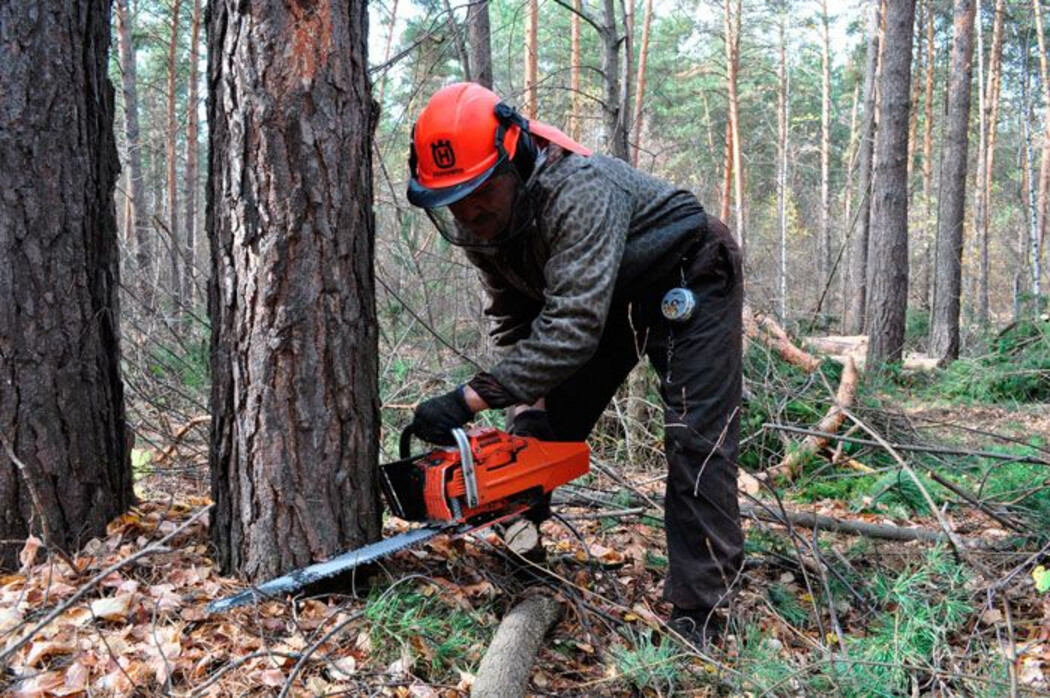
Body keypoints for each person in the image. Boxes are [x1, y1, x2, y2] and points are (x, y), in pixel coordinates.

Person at [405, 82, 743, 645]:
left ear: (513, 161)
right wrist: (531, 408)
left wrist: (467, 399)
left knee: (695, 440)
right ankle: (521, 548)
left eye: (480, 191)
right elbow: (519, 319)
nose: (468, 211)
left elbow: (571, 329)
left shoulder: (577, 190)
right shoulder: (480, 225)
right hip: (601, 299)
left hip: (688, 276)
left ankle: (701, 613)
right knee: (538, 427)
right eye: (454, 199)